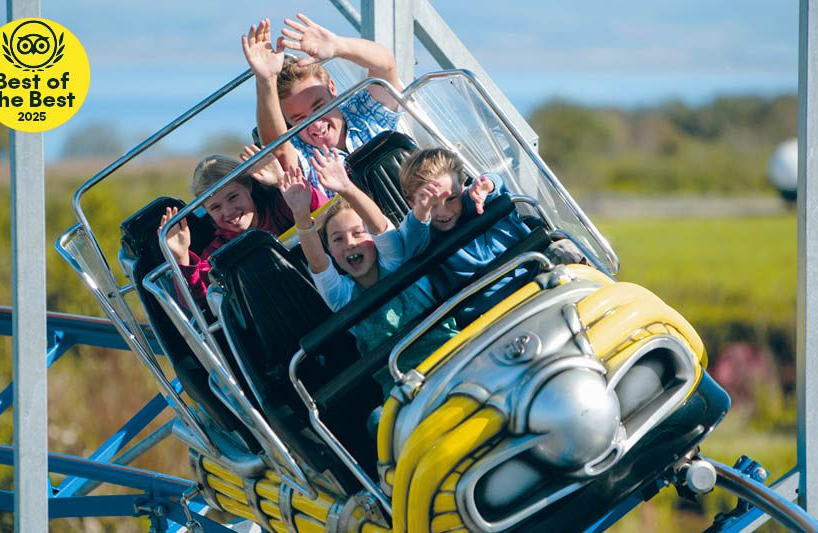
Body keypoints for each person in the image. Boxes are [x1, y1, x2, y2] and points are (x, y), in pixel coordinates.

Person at [278, 147, 455, 391]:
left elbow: (379, 226)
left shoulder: (396, 261)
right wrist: (300, 213)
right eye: (338, 239)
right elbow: (318, 263)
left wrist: (346, 188)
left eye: (358, 233)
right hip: (403, 384)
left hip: (451, 354)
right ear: (330, 250)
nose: (350, 243)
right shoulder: (342, 298)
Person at [398, 147, 584, 322]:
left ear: (462, 187)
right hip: (489, 311)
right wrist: (421, 212)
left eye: (451, 198)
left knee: (566, 248)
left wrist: (487, 186)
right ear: (411, 203)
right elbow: (412, 235)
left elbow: (494, 182)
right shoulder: (422, 233)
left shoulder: (474, 201)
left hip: (536, 275)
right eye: (431, 204)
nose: (443, 211)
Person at [241, 14, 403, 196]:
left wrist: (338, 46)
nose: (316, 125)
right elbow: (278, 150)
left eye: (319, 108)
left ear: (332, 88)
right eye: (300, 119)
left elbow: (386, 66)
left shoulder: (363, 111)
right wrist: (266, 80)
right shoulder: (301, 152)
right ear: (287, 121)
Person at [159, 147, 328, 304]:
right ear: (206, 211)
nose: (228, 211)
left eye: (233, 197)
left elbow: (323, 215)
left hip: (322, 289)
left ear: (248, 186)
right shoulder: (217, 252)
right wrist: (180, 257)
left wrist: (281, 182)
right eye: (215, 207)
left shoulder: (280, 206)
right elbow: (199, 300)